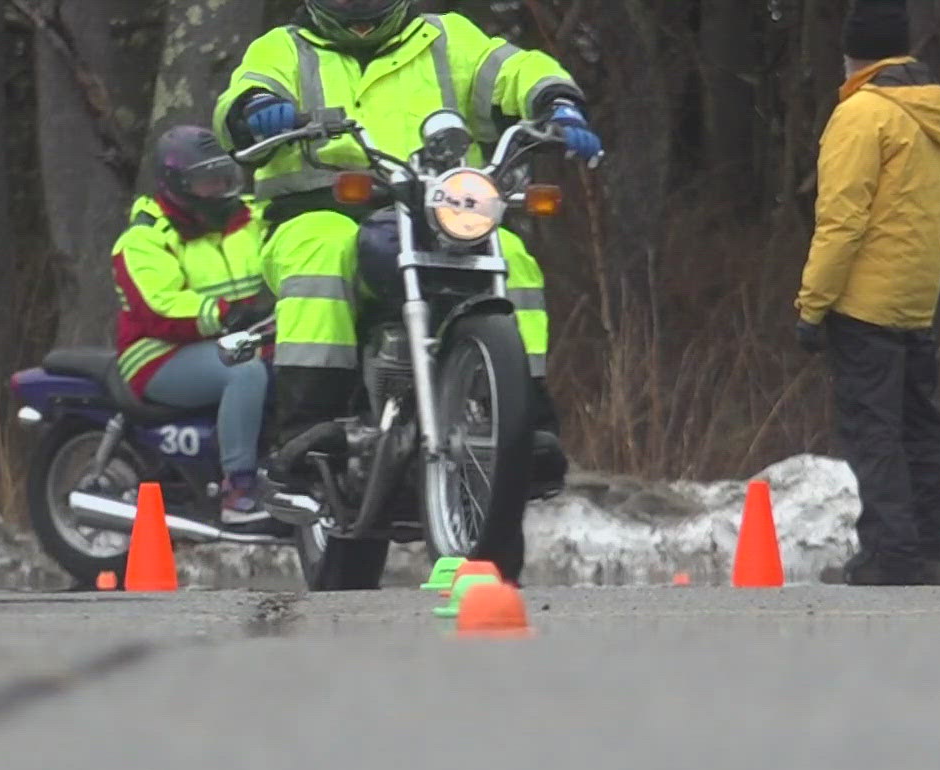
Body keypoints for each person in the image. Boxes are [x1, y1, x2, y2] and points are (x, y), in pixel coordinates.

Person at [212, 0, 602, 487]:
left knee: (513, 257)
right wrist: (258, 111)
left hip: (439, 206)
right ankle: (311, 426)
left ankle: (526, 421)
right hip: (320, 208)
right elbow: (241, 98)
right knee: (324, 253)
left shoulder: (448, 39)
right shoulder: (284, 48)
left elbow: (515, 68)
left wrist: (557, 102)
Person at [793, 0, 940, 586]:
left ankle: (889, 554)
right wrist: (930, 278)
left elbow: (842, 221)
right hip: (918, 295)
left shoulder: (862, 114)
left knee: (874, 428)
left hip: (863, 299)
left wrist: (812, 304)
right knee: (919, 424)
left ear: (851, 56)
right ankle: (935, 549)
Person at [112, 125, 277, 528]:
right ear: (177, 187)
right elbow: (161, 309)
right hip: (159, 353)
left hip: (245, 336)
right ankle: (238, 490)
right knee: (244, 370)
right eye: (207, 182)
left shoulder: (255, 218)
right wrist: (227, 313)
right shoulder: (145, 239)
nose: (219, 190)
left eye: (224, 178)